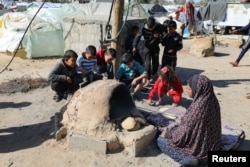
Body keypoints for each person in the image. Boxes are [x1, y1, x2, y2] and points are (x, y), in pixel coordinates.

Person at [157, 75, 221, 167]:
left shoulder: (198, 107)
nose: (186, 90)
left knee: (161, 140)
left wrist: (167, 135)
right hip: (213, 145)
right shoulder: (211, 100)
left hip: (200, 152)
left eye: (189, 88)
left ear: (198, 90)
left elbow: (183, 135)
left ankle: (189, 160)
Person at [132, 16, 165, 81]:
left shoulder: (160, 27)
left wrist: (160, 36)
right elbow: (137, 37)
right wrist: (134, 47)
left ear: (155, 25)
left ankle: (154, 72)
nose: (151, 29)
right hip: (146, 47)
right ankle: (148, 77)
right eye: (149, 28)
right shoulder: (143, 28)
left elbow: (165, 32)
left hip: (155, 46)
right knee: (147, 63)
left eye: (152, 28)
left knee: (156, 62)